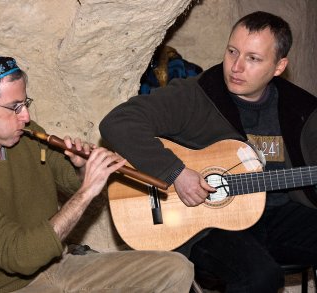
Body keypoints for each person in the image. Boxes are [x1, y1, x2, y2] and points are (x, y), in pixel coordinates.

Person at [0, 54, 194, 293]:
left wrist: (81, 167)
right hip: (7, 287)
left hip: (60, 266)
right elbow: (20, 255)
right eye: (15, 107)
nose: (26, 116)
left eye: (26, 103)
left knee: (175, 269)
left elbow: (67, 181)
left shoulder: (24, 137)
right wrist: (88, 190)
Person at [100, 11, 317, 293]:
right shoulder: (197, 95)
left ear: (279, 66)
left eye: (253, 58)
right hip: (205, 227)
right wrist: (175, 172)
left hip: (277, 218)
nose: (236, 67)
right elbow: (117, 123)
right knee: (260, 277)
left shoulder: (301, 109)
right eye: (232, 52)